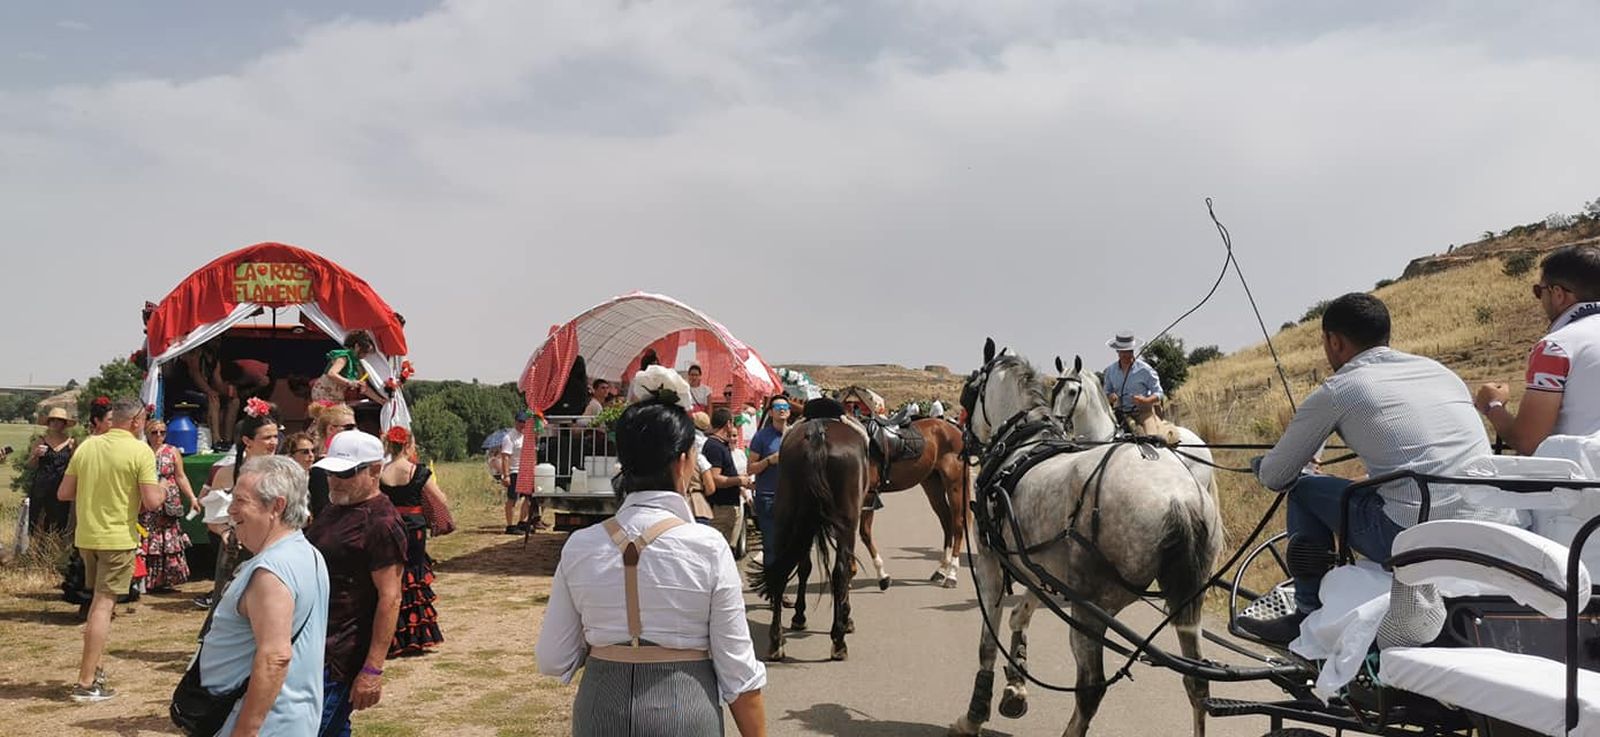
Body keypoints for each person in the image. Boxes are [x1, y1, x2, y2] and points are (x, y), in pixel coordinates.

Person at [1239, 293, 1523, 644]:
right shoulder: (1440, 372)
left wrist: (1260, 464)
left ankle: (1307, 612)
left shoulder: (1339, 389)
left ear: (1334, 341)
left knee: (1303, 489)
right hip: (1494, 525)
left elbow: (1275, 476)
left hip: (1414, 536)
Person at [536, 399, 767, 736]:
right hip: (685, 709)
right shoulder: (707, 546)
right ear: (683, 461)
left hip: (600, 707)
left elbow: (552, 659)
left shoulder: (580, 546)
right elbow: (738, 672)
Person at [200, 456, 329, 735]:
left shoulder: (270, 572)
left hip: (264, 725)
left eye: (241, 501)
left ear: (276, 506)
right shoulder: (308, 554)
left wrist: (244, 731)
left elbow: (275, 657)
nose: (231, 510)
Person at [56, 398, 163, 702]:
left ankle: (95, 669)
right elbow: (153, 502)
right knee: (103, 608)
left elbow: (64, 493)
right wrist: (164, 489)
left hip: (87, 536)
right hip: (117, 538)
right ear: (135, 422)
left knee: (99, 607)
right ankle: (86, 682)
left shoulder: (88, 446)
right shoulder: (140, 450)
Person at [306, 431, 405, 737]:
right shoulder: (336, 507)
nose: (335, 481)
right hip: (314, 648)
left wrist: (372, 669)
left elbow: (390, 598)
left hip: (340, 656)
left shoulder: (381, 523)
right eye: (330, 472)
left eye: (346, 473)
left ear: (375, 470)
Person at [1477, 244, 1600, 453]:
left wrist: (1492, 406)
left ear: (1558, 294)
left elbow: (1528, 441)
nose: (1540, 299)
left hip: (1581, 478)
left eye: (1538, 291)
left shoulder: (1557, 347)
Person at [195, 402, 281, 611]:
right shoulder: (229, 472)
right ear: (247, 441)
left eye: (275, 436)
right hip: (239, 551)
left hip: (276, 547)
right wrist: (225, 532)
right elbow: (213, 520)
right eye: (266, 437)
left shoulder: (282, 470)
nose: (273, 443)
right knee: (230, 609)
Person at [378, 427, 445, 657]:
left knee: (392, 577)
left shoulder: (382, 472)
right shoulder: (417, 471)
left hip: (391, 526)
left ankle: (393, 635)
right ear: (408, 445)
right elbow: (441, 498)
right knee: (414, 576)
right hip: (415, 528)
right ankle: (415, 635)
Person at [139, 420, 199, 592]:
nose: (158, 436)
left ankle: (168, 577)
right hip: (148, 498)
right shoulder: (142, 451)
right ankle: (147, 579)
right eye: (154, 432)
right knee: (148, 535)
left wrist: (192, 498)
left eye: (162, 432)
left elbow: (180, 476)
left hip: (168, 501)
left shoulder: (172, 451)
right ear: (147, 433)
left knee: (168, 536)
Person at [747, 397, 790, 569]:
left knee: (789, 547)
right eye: (778, 406)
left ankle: (781, 586)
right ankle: (774, 591)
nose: (782, 409)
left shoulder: (795, 434)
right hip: (768, 498)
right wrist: (769, 461)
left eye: (785, 406)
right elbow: (750, 469)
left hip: (791, 499)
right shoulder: (761, 437)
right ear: (770, 412)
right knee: (771, 547)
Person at [700, 408, 750, 547]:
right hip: (721, 508)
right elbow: (715, 479)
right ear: (728, 424)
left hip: (728, 505)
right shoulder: (715, 447)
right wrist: (739, 480)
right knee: (719, 549)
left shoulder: (720, 445)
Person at [1102, 331, 1165, 436]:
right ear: (1117, 351)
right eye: (1123, 351)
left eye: (1128, 351)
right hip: (1119, 415)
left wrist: (1146, 400)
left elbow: (1159, 393)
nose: (1126, 354)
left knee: (1152, 438)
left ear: (1133, 350)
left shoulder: (1145, 370)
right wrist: (1109, 397)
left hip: (1144, 413)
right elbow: (1106, 393)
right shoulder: (1110, 371)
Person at [26, 406, 77, 535]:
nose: (55, 423)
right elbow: (31, 465)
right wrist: (36, 455)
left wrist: (72, 452)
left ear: (64, 424)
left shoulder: (71, 442)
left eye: (59, 420)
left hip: (61, 485)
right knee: (38, 518)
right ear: (48, 423)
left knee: (60, 519)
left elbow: (76, 465)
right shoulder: (40, 441)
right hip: (42, 486)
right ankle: (35, 549)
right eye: (52, 420)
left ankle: (55, 547)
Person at [307, 403, 357, 518]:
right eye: (349, 427)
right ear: (331, 429)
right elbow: (322, 510)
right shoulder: (319, 468)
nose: (355, 431)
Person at [312, 330, 387, 406]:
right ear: (357, 346)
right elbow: (331, 373)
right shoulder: (344, 357)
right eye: (365, 352)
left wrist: (380, 401)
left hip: (337, 396)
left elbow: (364, 388)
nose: (365, 355)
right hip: (325, 394)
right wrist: (349, 382)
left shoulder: (357, 364)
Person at [502, 410, 535, 534]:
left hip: (525, 470)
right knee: (512, 499)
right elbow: (505, 457)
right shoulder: (509, 437)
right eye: (520, 421)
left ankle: (522, 521)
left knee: (528, 498)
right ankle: (509, 525)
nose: (523, 424)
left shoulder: (526, 435)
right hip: (514, 470)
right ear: (516, 422)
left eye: (525, 422)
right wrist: (506, 475)